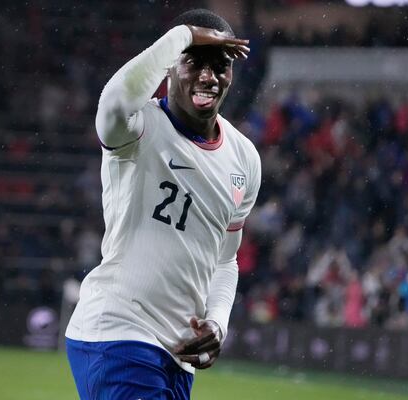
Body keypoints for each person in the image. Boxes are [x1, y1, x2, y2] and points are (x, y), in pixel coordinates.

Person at [65, 8, 261, 400]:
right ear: (169, 65)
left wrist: (217, 323)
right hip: (119, 332)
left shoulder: (245, 159)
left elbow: (225, 260)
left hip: (177, 356)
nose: (208, 76)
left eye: (220, 65)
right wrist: (183, 36)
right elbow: (114, 101)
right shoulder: (139, 127)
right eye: (195, 61)